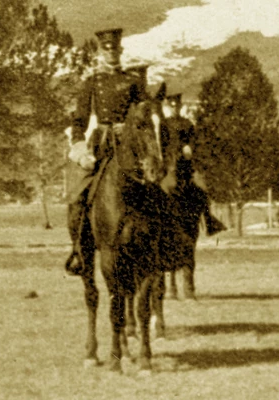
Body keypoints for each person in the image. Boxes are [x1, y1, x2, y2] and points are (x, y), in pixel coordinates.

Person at [64, 28, 145, 276]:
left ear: (120, 51)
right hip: (101, 144)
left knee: (156, 187)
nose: (111, 54)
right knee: (78, 194)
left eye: (115, 50)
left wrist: (129, 127)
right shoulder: (92, 82)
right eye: (106, 50)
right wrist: (80, 149)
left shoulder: (133, 81)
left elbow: (144, 115)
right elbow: (79, 120)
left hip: (129, 144)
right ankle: (78, 249)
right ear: (101, 52)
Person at [161, 94, 226, 238]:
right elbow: (161, 143)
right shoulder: (163, 124)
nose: (174, 109)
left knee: (202, 186)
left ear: (179, 107)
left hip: (185, 164)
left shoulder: (187, 124)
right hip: (167, 162)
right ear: (168, 107)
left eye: (176, 106)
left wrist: (188, 147)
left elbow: (193, 141)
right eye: (171, 106)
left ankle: (209, 221)